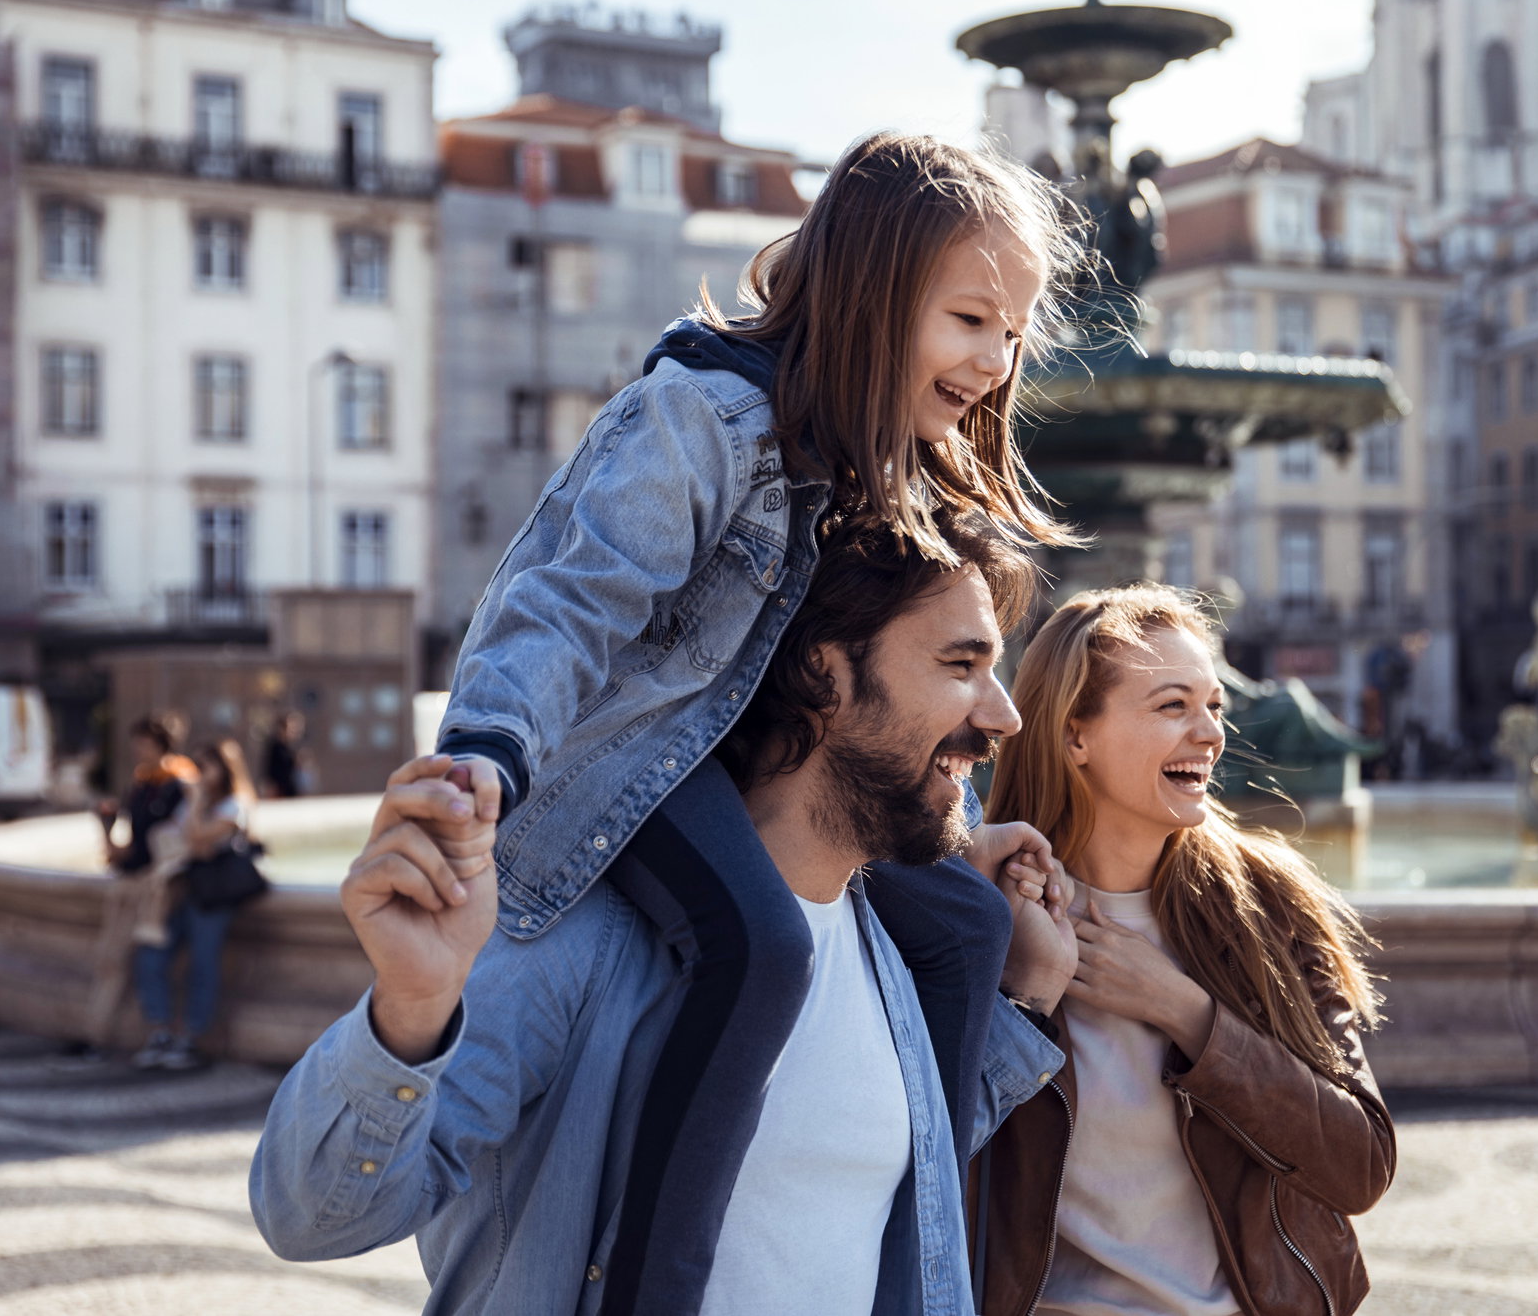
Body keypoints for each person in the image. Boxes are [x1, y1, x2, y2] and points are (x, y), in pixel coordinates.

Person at [430, 131, 1095, 1311]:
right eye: (968, 321)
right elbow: (566, 605)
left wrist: (956, 828)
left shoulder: (884, 460)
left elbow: (903, 693)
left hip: (753, 772)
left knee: (964, 929)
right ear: (873, 294)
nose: (996, 361)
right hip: (633, 763)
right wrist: (487, 752)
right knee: (761, 946)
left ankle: (916, 1256)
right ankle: (654, 1282)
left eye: (1012, 333)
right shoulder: (703, 414)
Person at [254, 511, 1078, 1315]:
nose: (1001, 714)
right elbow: (315, 1218)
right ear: (824, 674)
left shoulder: (895, 952)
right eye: (961, 665)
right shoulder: (579, 943)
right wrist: (409, 1009)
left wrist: (1026, 1000)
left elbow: (891, 1183)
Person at [975, 585, 1395, 1316]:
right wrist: (1023, 992)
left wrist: (1186, 1013)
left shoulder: (1266, 905)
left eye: (1213, 706)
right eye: (1172, 706)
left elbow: (1359, 1164)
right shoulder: (981, 913)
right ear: (1075, 734)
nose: (1209, 733)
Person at [131, 737, 257, 1071]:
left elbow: (198, 843)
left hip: (212, 896)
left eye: (204, 767)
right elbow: (176, 835)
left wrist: (197, 802)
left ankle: (191, 1039)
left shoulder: (235, 804)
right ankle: (160, 1031)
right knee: (151, 955)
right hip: (182, 891)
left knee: (203, 964)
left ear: (225, 769)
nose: (197, 774)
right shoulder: (194, 801)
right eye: (196, 766)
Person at [81, 716, 196, 1050]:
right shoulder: (142, 781)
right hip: (134, 879)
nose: (136, 749)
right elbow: (132, 843)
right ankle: (100, 1032)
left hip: (157, 886)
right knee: (114, 959)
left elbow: (175, 843)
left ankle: (114, 1034)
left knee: (142, 960)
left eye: (143, 742)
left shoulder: (181, 783)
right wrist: (106, 826)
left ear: (160, 743)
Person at [261, 712, 307, 799]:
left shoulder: (290, 747)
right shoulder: (275, 746)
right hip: (280, 792)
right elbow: (270, 769)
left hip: (289, 790)